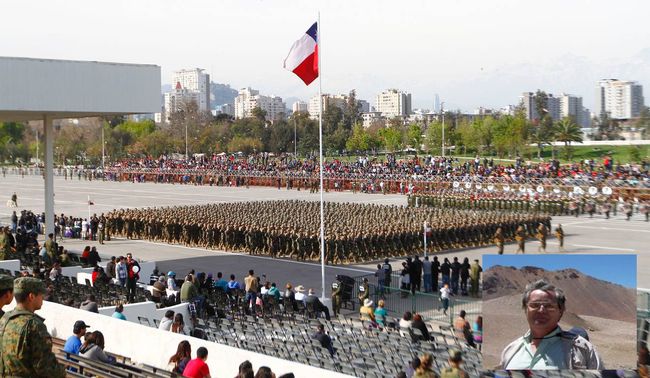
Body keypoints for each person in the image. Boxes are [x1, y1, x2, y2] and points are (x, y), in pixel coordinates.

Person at [499, 279, 603, 369]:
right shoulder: (510, 351)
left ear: (560, 311)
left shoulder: (582, 350)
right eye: (534, 305)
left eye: (549, 306)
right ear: (525, 309)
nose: (541, 310)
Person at [0, 277, 66, 377]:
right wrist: (62, 371)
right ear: (31, 296)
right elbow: (45, 368)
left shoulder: (5, 318)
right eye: (41, 294)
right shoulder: (34, 325)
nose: (43, 298)